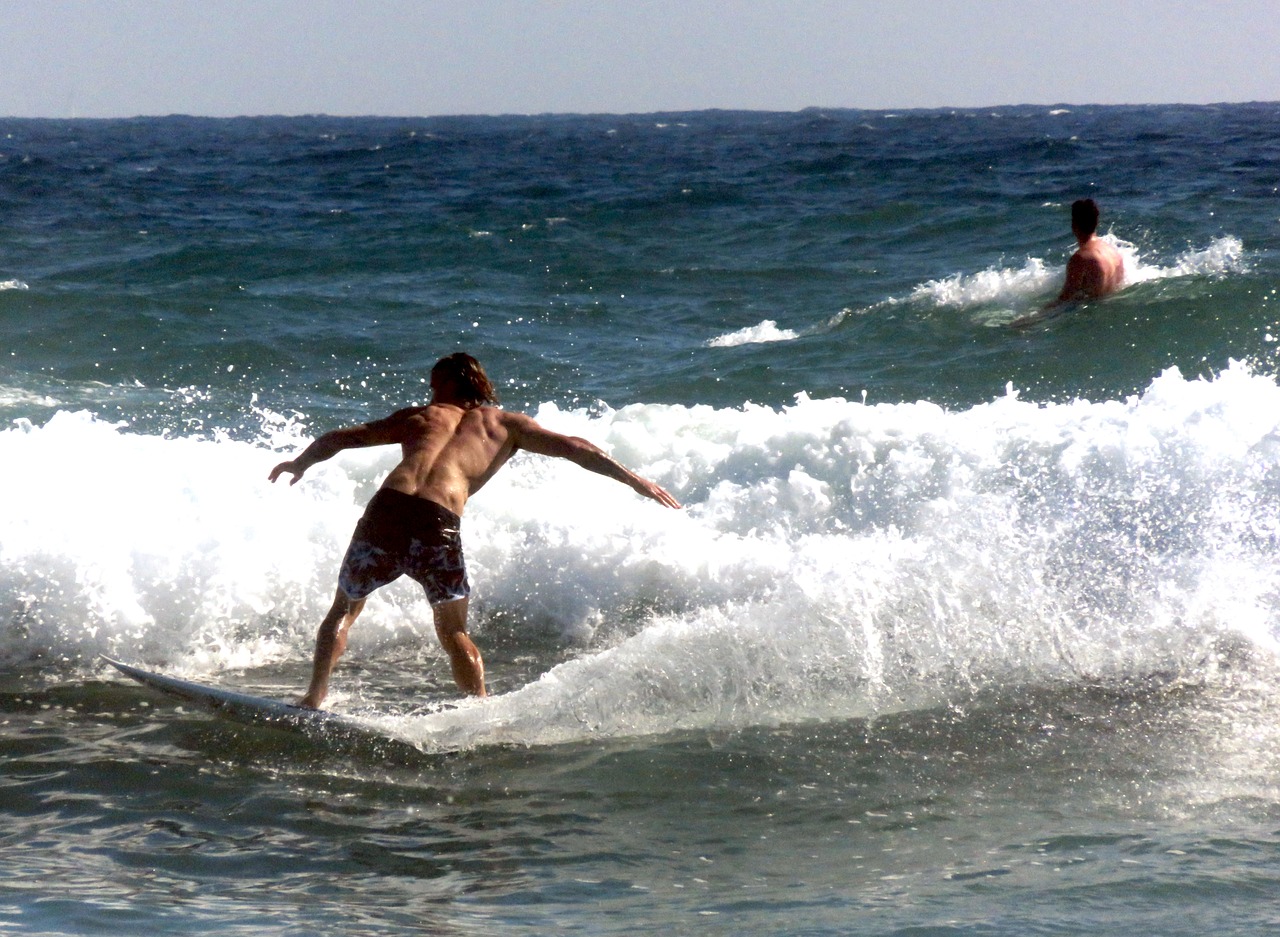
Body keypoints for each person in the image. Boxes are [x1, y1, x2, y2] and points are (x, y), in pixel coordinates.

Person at [269, 352, 681, 708]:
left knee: (344, 610)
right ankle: (480, 710)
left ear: (445, 383)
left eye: (433, 383)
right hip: (437, 521)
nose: (430, 390)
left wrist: (301, 462)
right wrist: (635, 480)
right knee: (454, 631)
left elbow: (343, 437)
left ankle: (314, 697)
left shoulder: (420, 416)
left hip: (386, 511)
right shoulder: (506, 425)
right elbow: (578, 448)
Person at [1011, 198, 1126, 327]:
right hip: (1107, 314)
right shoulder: (1113, 252)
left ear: (1074, 225)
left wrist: (1030, 320)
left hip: (1090, 322)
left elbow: (1065, 300)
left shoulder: (1081, 258)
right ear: (1096, 222)